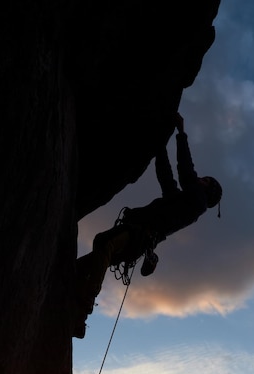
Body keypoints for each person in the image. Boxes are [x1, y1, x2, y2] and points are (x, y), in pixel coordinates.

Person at [73, 113, 222, 338]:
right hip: (138, 236)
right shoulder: (182, 202)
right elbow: (166, 176)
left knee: (105, 245)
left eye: (206, 180)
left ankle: (82, 310)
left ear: (207, 191)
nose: (201, 178)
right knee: (97, 248)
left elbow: (186, 172)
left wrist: (181, 134)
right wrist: (160, 146)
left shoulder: (197, 203)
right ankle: (75, 292)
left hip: (139, 235)